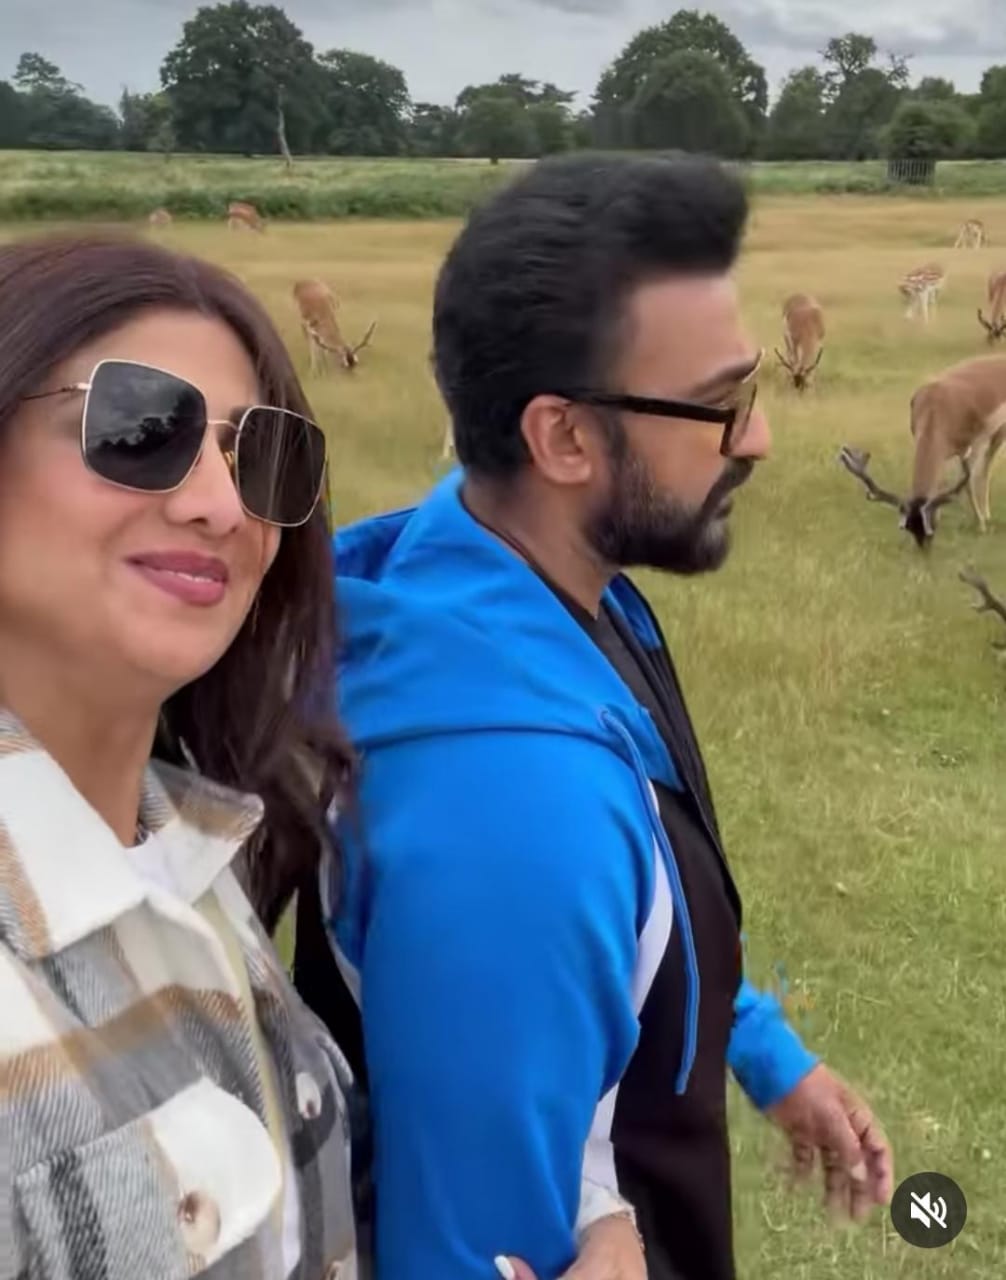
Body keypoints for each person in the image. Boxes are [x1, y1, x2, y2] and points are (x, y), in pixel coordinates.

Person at [0, 232, 642, 1280]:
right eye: (140, 427)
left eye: (262, 457)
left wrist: (592, 1213)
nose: (221, 503)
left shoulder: (194, 866)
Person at [309, 154, 895, 1280]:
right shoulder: (512, 809)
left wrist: (761, 1047)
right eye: (721, 404)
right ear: (565, 439)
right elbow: (471, 1246)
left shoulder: (512, 578)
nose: (756, 439)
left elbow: (631, 911)